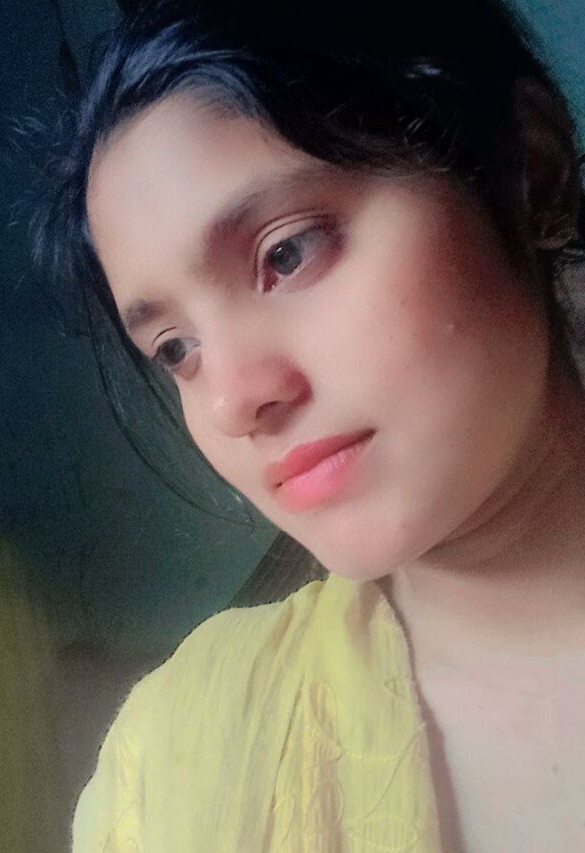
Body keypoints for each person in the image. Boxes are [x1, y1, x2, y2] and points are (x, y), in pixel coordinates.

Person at [35, 0, 585, 849]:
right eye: (176, 348)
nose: (231, 402)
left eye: (286, 253)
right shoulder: (179, 758)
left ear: (530, 172)